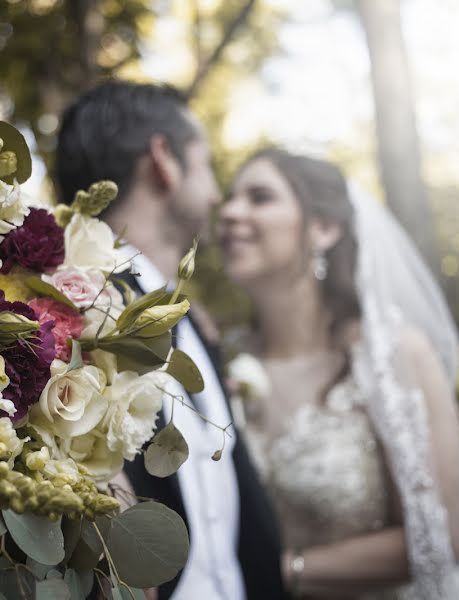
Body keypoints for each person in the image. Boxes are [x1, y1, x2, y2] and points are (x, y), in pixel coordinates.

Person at [218, 149, 459, 600]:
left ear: (324, 228)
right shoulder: (220, 359)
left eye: (259, 197)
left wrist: (280, 572)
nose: (229, 212)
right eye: (230, 198)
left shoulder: (393, 355)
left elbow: (438, 539)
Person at [55, 82, 287, 600]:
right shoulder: (62, 316)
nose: (216, 195)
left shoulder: (194, 326)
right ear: (164, 159)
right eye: (206, 164)